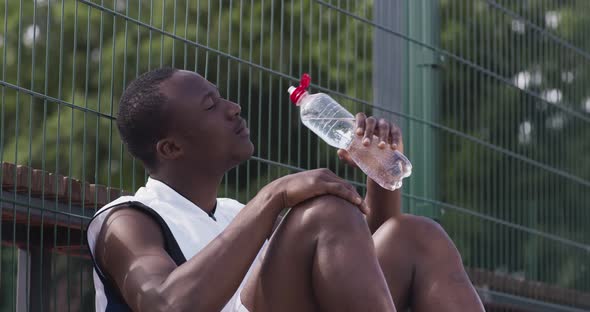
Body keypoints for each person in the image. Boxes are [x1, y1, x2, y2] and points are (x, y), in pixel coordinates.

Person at [86, 67, 485, 312]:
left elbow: (351, 265)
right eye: (210, 106)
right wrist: (272, 195)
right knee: (324, 213)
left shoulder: (228, 212)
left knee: (414, 235)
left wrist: (380, 173)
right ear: (171, 148)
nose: (233, 108)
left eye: (222, 97)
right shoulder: (127, 221)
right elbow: (166, 306)